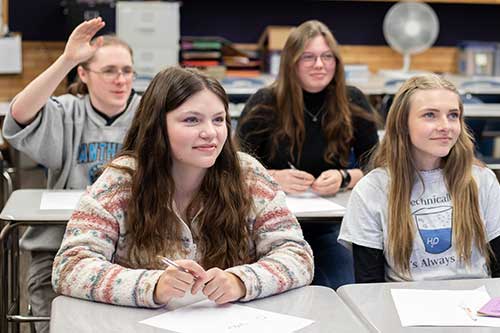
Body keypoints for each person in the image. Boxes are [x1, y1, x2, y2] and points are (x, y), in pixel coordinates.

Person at [51, 66, 314, 307]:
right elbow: (70, 266)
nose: (210, 132)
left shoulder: (249, 176)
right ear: (157, 126)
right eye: (192, 120)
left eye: (218, 119)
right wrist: (152, 286)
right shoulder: (121, 182)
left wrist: (241, 281)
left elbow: (297, 256)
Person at [2, 17, 139, 332]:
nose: (120, 80)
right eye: (109, 71)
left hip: (132, 247)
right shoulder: (68, 112)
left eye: (127, 70)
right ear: (83, 74)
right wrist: (66, 59)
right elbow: (18, 118)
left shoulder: (147, 115)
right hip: (60, 246)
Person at [236, 20, 378, 289]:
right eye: (308, 57)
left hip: (330, 224)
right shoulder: (265, 102)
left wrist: (345, 176)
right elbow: (234, 165)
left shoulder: (353, 100)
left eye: (327, 57)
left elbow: (378, 163)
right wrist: (273, 177)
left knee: (344, 284)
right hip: (269, 222)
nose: (319, 65)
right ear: (291, 62)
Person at [338, 74, 500, 283]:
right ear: (402, 124)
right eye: (430, 115)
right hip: (403, 309)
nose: (445, 126)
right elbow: (369, 285)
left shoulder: (482, 181)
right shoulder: (372, 189)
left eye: (453, 115)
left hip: (475, 309)